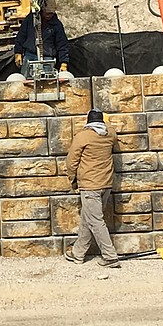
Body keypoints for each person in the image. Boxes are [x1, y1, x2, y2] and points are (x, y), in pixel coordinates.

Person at [64, 107, 120, 267]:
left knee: (96, 221)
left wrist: (73, 179)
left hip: (90, 185)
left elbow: (71, 162)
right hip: (106, 184)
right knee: (87, 218)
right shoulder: (110, 134)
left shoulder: (83, 137)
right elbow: (109, 126)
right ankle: (78, 253)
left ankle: (110, 256)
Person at [13, 1, 69, 72]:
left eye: (51, 13)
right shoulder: (30, 20)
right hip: (30, 56)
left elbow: (62, 44)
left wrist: (64, 62)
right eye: (47, 13)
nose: (49, 16)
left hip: (48, 59)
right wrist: (18, 52)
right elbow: (21, 36)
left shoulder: (57, 25)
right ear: (42, 9)